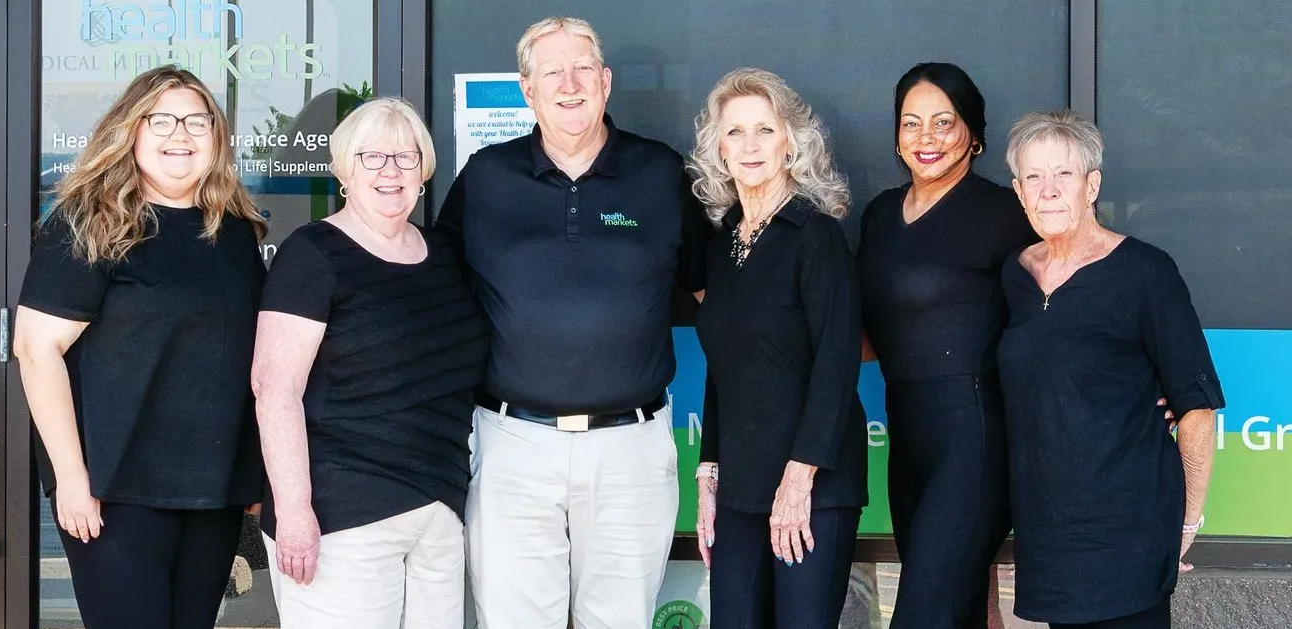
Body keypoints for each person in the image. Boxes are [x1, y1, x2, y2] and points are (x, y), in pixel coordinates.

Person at [434, 16, 712, 629]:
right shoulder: (486, 177)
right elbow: (433, 294)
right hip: (513, 446)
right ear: (527, 90)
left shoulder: (661, 174)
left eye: (583, 67)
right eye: (551, 70)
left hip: (631, 450)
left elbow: (713, 295)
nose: (570, 82)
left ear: (606, 82)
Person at [12, 65, 267, 629]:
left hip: (212, 489)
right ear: (131, 130)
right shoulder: (90, 223)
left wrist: (253, 475)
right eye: (162, 119)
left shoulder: (232, 231)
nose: (181, 134)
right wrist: (71, 479)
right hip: (115, 490)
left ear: (217, 138)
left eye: (197, 121)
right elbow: (35, 350)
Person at [251, 96, 489, 629]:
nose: (390, 171)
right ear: (344, 169)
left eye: (405, 158)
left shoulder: (444, 254)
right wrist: (293, 512)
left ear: (424, 171)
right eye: (371, 158)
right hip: (343, 516)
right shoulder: (313, 254)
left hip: (438, 511)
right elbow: (275, 388)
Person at [996, 109, 1222, 629]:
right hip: (1050, 532)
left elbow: (1196, 407)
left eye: (1064, 174)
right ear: (1018, 191)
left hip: (1130, 530)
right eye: (1034, 177)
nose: (1048, 190)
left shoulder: (1146, 273)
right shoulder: (1016, 275)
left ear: (1092, 184)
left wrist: (1186, 522)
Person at [854, 62, 1036, 629]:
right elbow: (866, 331)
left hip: (974, 437)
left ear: (974, 133)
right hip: (906, 433)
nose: (925, 138)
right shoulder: (881, 214)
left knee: (924, 612)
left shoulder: (1006, 214)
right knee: (955, 611)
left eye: (943, 122)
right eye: (911, 124)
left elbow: (1061, 310)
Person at [687, 68, 868, 629]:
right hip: (741, 484)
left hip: (812, 483)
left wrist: (799, 479)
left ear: (791, 141)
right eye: (734, 132)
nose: (749, 145)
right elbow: (723, 369)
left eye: (764, 130)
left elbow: (837, 364)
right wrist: (708, 478)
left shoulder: (816, 235)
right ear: (717, 148)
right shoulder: (723, 247)